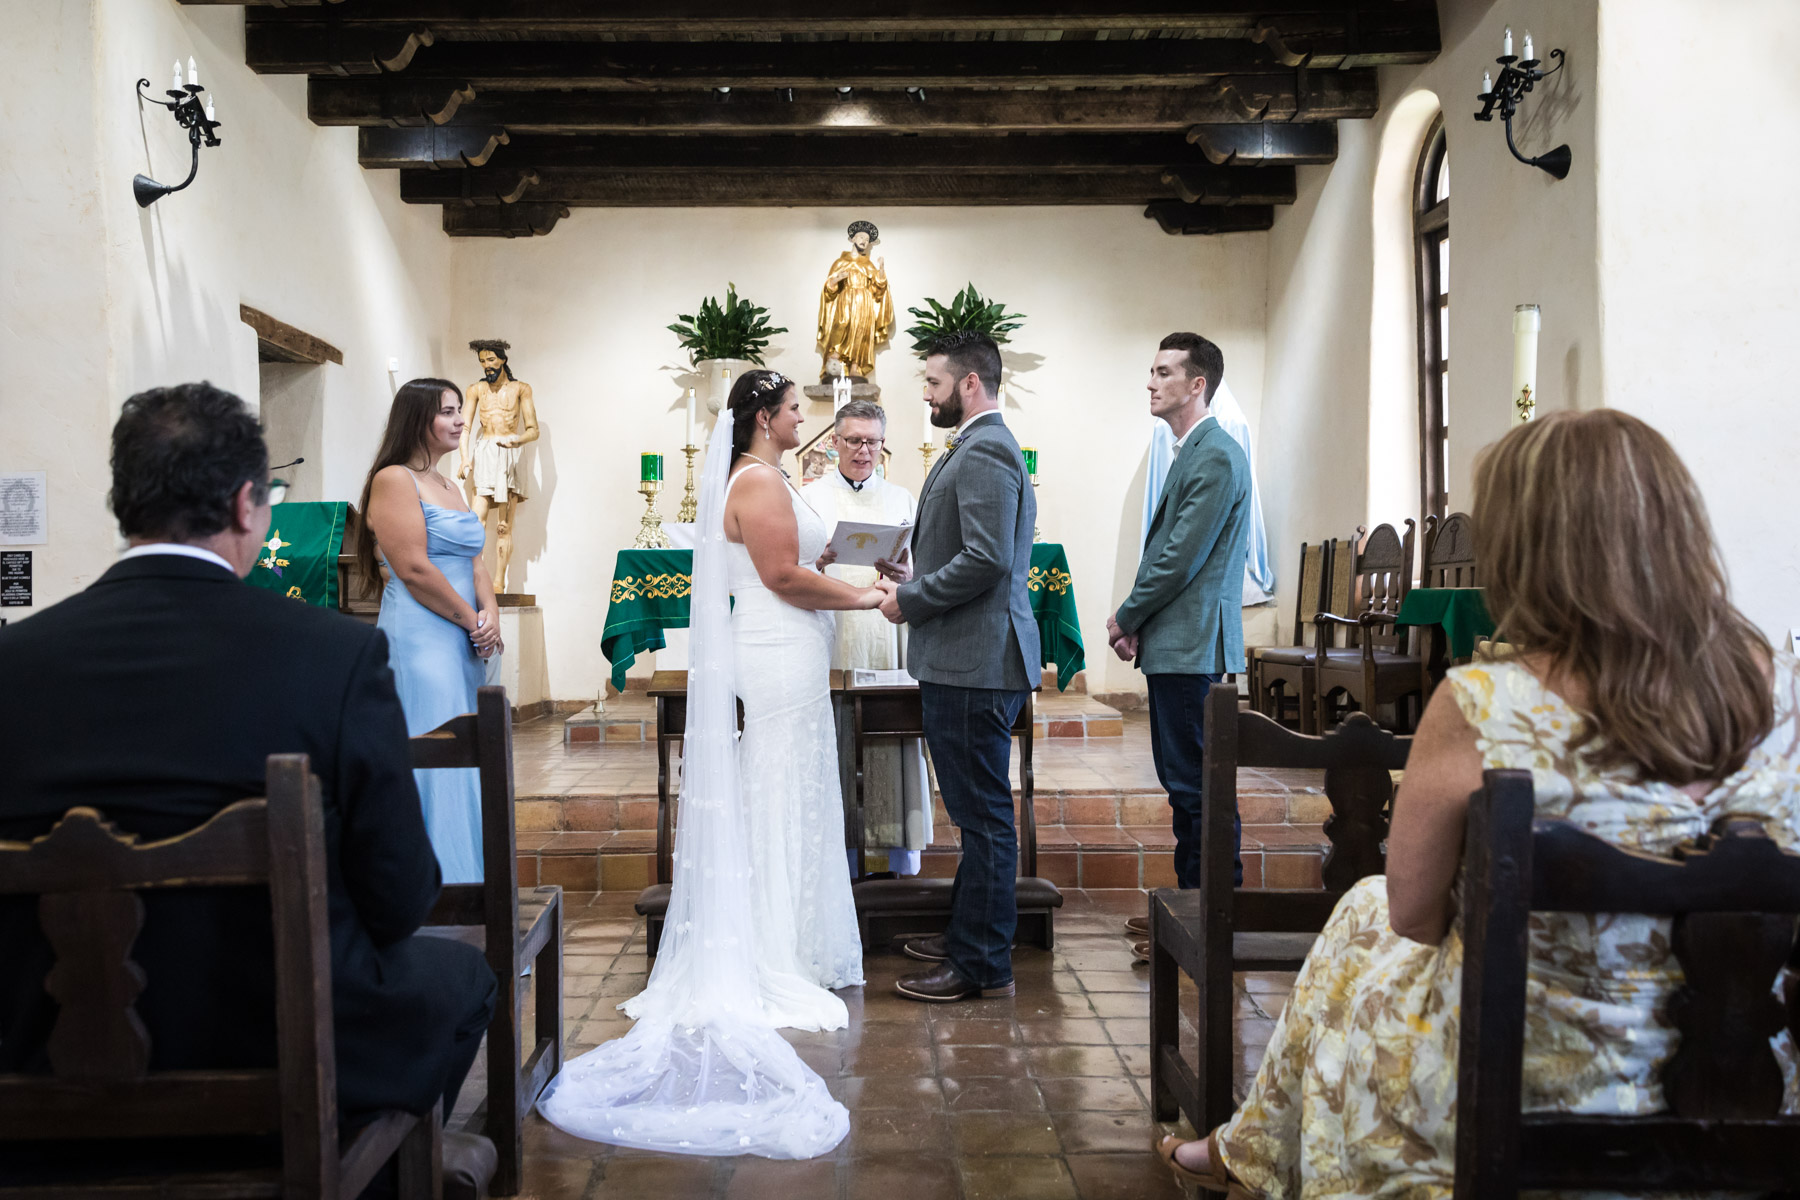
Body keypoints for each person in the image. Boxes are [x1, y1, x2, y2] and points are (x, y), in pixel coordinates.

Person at [1158, 409, 1800, 1196]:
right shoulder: (1788, 693)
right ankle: (1244, 1142)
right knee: (1362, 912)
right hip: (1751, 1079)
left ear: (1527, 551)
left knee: (1366, 916)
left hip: (1533, 1082)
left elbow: (1417, 916)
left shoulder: (1485, 704)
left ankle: (1253, 1146)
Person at [0, 382, 496, 1167]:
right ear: (247, 506)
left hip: (43, 1055)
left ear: (125, 505)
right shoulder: (332, 657)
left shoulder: (14, 665)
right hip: (280, 1046)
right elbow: (401, 896)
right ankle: (377, 1174)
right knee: (462, 978)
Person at [537, 369, 883, 1159]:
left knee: (792, 784)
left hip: (788, 648)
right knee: (782, 783)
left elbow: (807, 549)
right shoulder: (757, 481)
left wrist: (865, 557)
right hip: (779, 650)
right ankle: (771, 949)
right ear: (766, 417)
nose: (806, 416)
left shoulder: (767, 476)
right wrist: (865, 599)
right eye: (796, 407)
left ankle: (786, 938)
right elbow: (782, 576)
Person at [879, 331, 1041, 1004]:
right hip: (967, 656)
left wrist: (910, 599)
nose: (926, 393)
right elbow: (974, 553)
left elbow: (987, 561)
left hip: (976, 662)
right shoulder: (979, 447)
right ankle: (970, 935)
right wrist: (915, 571)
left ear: (970, 383)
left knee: (983, 818)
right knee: (977, 815)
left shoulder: (986, 452)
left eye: (933, 382)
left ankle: (982, 963)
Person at [1108, 333, 1251, 959]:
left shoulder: (1214, 455)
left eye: (1164, 372)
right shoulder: (1191, 451)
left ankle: (1214, 919)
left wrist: (1126, 616)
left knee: (1199, 787)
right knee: (1185, 785)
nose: (1150, 382)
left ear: (1198, 385)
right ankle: (1192, 909)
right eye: (1150, 370)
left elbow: (1178, 558)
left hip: (1194, 647)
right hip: (1178, 644)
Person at [356, 378, 502, 885]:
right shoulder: (394, 479)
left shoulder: (449, 484)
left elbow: (474, 561)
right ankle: (438, 892)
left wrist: (491, 613)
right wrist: (470, 619)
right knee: (438, 751)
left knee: (473, 756)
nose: (461, 420)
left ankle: (478, 892)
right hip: (424, 636)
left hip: (466, 632)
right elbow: (414, 568)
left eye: (460, 409)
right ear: (416, 418)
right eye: (448, 411)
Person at [805, 398, 932, 877]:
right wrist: (816, 561)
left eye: (873, 442)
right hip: (833, 628)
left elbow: (920, 568)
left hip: (885, 627)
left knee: (889, 732)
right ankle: (840, 856)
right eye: (853, 440)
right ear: (833, 442)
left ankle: (894, 853)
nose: (863, 450)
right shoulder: (810, 496)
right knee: (837, 733)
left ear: (883, 445)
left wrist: (905, 570)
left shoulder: (901, 497)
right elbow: (794, 566)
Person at [457, 339, 538, 593]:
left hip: (510, 456)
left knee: (504, 526)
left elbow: (533, 430)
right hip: (485, 453)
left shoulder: (521, 389)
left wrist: (518, 440)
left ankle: (498, 583)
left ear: (503, 360)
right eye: (482, 361)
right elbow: (465, 426)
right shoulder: (476, 390)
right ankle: (475, 583)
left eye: (491, 360)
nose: (486, 365)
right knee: (476, 520)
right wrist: (464, 457)